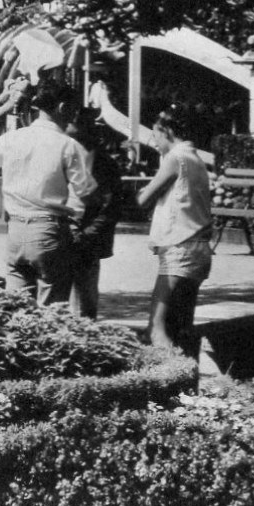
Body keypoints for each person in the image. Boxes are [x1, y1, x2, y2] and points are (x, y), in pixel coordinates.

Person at [0, 81, 97, 306]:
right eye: (73, 109)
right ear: (62, 107)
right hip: (49, 230)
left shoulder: (12, 138)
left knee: (16, 306)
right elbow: (86, 191)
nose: (74, 116)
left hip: (15, 231)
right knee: (52, 309)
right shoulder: (68, 146)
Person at [136, 105, 213, 352]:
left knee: (157, 327)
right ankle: (187, 378)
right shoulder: (195, 158)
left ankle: (167, 379)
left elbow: (142, 200)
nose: (155, 142)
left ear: (167, 131)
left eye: (156, 135)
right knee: (182, 324)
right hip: (199, 249)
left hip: (178, 249)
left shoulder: (175, 159)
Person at [66, 111, 123, 320]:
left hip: (85, 233)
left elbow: (111, 205)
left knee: (83, 301)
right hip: (70, 229)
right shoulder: (69, 152)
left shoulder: (100, 160)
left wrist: (88, 233)